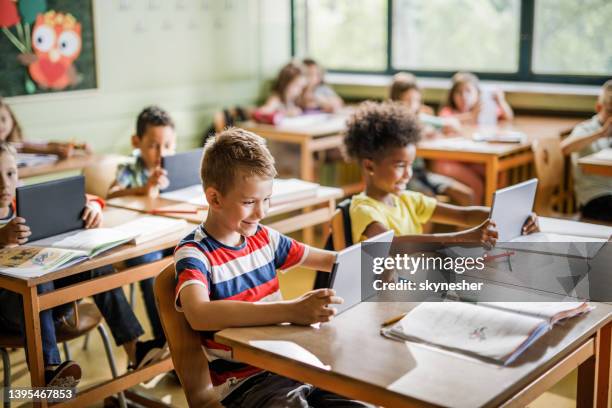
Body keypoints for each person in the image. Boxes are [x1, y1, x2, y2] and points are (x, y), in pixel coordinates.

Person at [174, 128, 371, 407]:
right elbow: (199, 314)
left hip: (293, 365)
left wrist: (374, 260)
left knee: (363, 400)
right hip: (245, 387)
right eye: (249, 202)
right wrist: (291, 310)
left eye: (266, 199)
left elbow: (330, 259)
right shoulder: (194, 253)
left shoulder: (264, 238)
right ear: (215, 198)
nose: (261, 212)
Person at [0, 143, 163, 387]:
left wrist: (94, 207)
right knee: (39, 284)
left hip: (55, 305)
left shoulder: (25, 203)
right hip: (11, 311)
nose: (4, 184)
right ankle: (50, 376)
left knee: (96, 269)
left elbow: (87, 197)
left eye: (10, 173)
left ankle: (135, 351)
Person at [344, 101, 538, 245]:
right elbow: (394, 245)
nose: (408, 174)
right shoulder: (363, 209)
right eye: (400, 166)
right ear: (370, 166)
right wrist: (461, 237)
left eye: (410, 165)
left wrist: (517, 216)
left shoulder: (407, 200)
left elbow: (464, 216)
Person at [107, 105, 177, 343]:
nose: (161, 153)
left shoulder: (175, 166)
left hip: (172, 233)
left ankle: (196, 339)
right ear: (136, 142)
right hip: (142, 241)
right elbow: (111, 195)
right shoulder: (130, 166)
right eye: (153, 145)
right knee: (152, 267)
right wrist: (144, 189)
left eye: (167, 145)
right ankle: (165, 341)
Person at [389, 73, 473, 205]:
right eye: (407, 100)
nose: (412, 105)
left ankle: (468, 227)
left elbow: (450, 124)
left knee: (467, 195)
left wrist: (435, 130)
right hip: (403, 177)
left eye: (416, 101)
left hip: (423, 174)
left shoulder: (420, 118)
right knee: (427, 201)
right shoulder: (391, 123)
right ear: (396, 101)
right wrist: (422, 133)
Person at [561, 79, 612, 222]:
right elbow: (565, 148)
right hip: (594, 198)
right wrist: (601, 133)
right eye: (610, 111)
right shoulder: (586, 129)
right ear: (598, 107)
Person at [0, 97, 89, 159]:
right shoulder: (14, 148)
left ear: (12, 120)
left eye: (3, 119)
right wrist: (53, 151)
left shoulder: (19, 141)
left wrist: (76, 147)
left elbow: (44, 144)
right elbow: (19, 148)